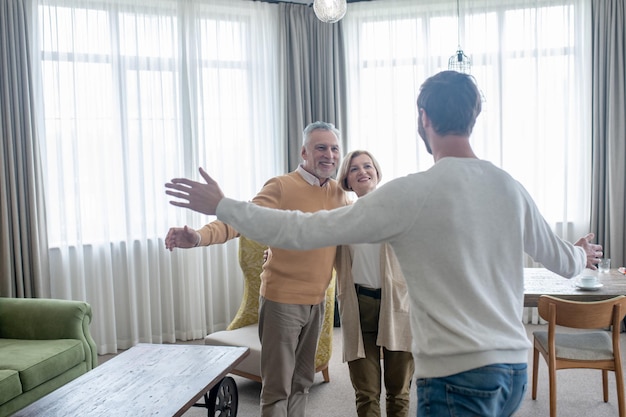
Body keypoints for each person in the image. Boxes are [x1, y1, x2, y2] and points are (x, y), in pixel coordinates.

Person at [165, 71, 603, 417]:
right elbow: (565, 262)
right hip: (512, 370)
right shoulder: (510, 187)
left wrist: (222, 204)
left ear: (423, 118)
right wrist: (582, 251)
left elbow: (298, 229)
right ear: (473, 117)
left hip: (454, 374)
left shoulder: (410, 193)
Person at [165, 121, 350, 417]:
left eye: (334, 148)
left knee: (302, 381)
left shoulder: (340, 194)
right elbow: (239, 220)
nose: (329, 155)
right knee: (277, 388)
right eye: (320, 148)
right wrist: (198, 237)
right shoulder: (281, 185)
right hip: (282, 301)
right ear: (304, 152)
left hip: (318, 301)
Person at [335, 150, 414, 417]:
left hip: (398, 303)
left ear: (377, 173)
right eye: (354, 169)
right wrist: (272, 252)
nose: (362, 172)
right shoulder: (341, 217)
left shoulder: (400, 209)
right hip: (358, 305)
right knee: (366, 393)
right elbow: (313, 246)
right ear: (346, 179)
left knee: (399, 390)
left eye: (367, 166)